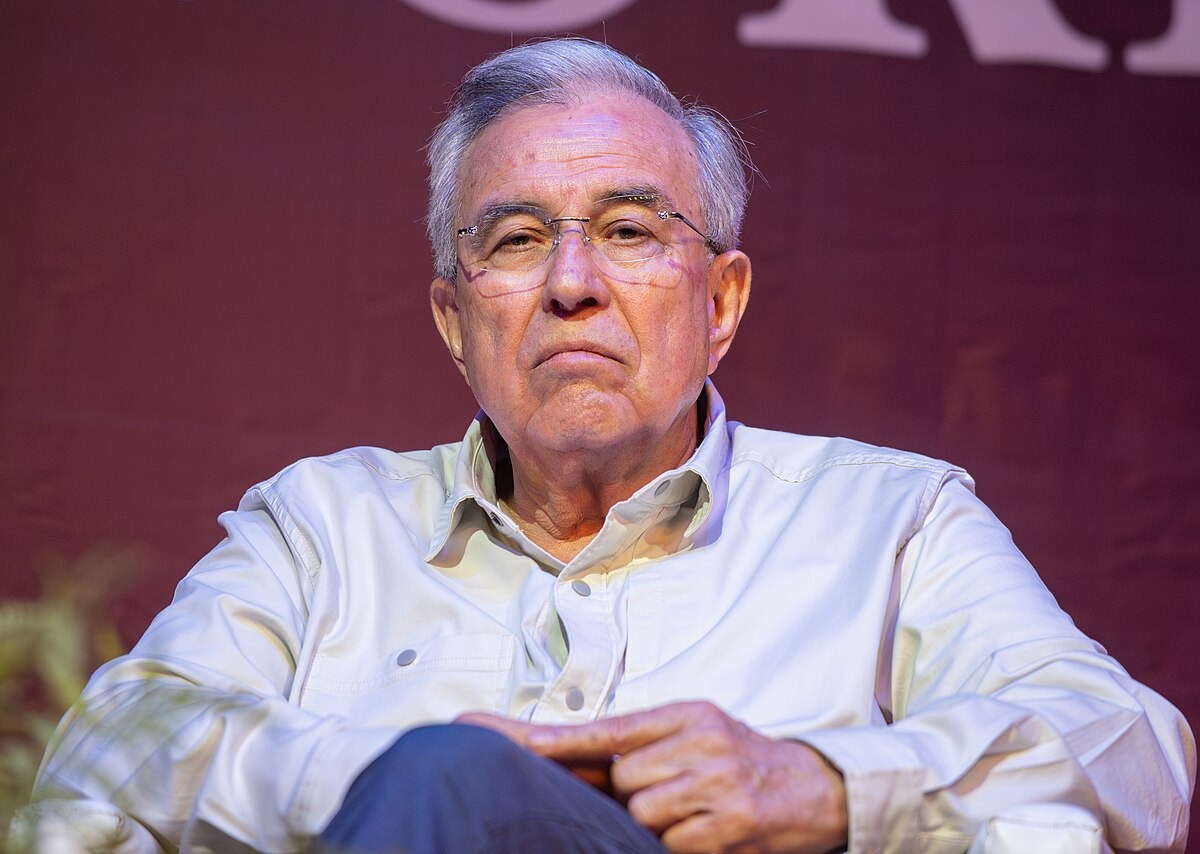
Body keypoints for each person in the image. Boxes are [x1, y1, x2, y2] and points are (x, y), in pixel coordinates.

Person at [15, 37, 1194, 854]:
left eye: (630, 229)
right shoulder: (323, 525)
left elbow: (1136, 750)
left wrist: (825, 782)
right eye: (518, 239)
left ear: (720, 301)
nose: (572, 283)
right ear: (455, 320)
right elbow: (116, 743)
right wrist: (401, 779)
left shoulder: (891, 521)